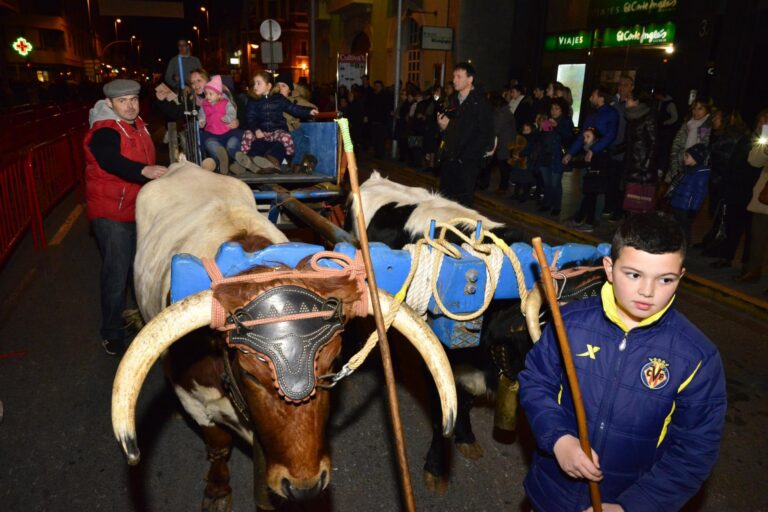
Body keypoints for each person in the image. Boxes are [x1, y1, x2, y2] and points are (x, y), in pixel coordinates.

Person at [519, 212, 726, 512]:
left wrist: (632, 507)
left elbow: (695, 449)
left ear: (680, 277)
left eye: (665, 279)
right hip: (552, 494)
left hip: (625, 497)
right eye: (633, 274)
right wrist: (559, 440)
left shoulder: (697, 357)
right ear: (609, 268)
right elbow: (536, 383)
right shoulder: (571, 323)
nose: (647, 291)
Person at [83, 79, 168, 355]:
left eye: (133, 99)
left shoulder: (137, 124)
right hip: (112, 212)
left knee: (138, 269)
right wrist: (143, 170)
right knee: (116, 274)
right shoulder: (105, 130)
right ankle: (111, 333)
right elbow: (109, 160)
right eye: (122, 101)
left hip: (137, 209)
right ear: (109, 103)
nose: (130, 106)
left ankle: (139, 316)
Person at [236, 71, 318, 173]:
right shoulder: (253, 101)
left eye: (258, 83)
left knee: (283, 140)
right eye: (254, 83)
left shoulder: (279, 99)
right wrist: (256, 129)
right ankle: (247, 161)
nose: (255, 86)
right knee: (253, 139)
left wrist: (308, 111)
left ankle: (275, 162)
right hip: (261, 132)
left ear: (268, 86)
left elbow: (293, 108)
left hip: (277, 131)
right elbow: (250, 117)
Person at [437, 62, 494, 207]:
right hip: (450, 158)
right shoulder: (453, 100)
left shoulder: (480, 103)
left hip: (467, 162)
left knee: (463, 203)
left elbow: (484, 133)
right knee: (444, 200)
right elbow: (449, 129)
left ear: (470, 79)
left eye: (459, 77)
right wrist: (443, 127)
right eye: (454, 77)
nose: (454, 80)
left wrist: (467, 156)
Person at [197, 75, 243, 174]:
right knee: (211, 144)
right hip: (211, 133)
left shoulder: (226, 103)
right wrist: (201, 120)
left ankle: (236, 162)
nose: (207, 96)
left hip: (228, 131)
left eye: (211, 94)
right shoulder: (204, 104)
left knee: (232, 143)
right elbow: (201, 114)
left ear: (219, 95)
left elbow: (232, 112)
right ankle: (222, 161)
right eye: (206, 93)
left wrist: (229, 118)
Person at [669, 143, 711, 244]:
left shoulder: (701, 174)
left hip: (686, 208)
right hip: (677, 205)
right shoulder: (686, 170)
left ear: (696, 158)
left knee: (684, 230)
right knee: (675, 228)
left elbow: (699, 194)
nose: (684, 158)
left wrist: (693, 209)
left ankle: (685, 247)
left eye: (687, 156)